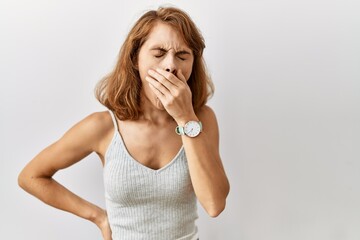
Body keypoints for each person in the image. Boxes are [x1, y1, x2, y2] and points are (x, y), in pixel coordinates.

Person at [18, 6, 230, 240]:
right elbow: (31, 176)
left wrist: (185, 118)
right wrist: (98, 217)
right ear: (135, 60)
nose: (171, 66)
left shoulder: (201, 120)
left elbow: (214, 204)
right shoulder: (103, 127)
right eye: (158, 53)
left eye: (182, 56)